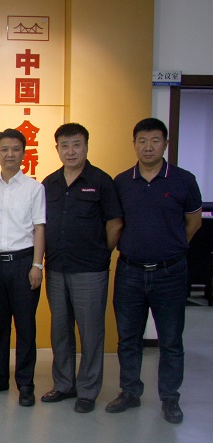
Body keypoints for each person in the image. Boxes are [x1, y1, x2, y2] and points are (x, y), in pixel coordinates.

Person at [106, 118, 202, 424]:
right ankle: (130, 392)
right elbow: (116, 223)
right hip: (130, 271)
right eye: (142, 141)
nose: (148, 147)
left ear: (165, 144)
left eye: (155, 140)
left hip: (170, 273)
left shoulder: (183, 180)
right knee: (128, 338)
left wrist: (172, 247)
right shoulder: (122, 182)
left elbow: (194, 221)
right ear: (134, 143)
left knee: (171, 339)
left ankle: (170, 398)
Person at [41, 123, 123, 413]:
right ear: (57, 149)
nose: (71, 151)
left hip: (90, 270)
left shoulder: (101, 181)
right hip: (56, 268)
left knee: (90, 332)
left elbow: (115, 224)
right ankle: (64, 384)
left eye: (76, 145)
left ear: (86, 147)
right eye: (65, 146)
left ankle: (87, 390)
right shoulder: (49, 183)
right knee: (60, 330)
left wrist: (100, 253)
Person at [0, 129, 45, 407]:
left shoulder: (34, 188)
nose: (10, 154)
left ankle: (26, 384)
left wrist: (37, 265)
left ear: (23, 153)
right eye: (4, 149)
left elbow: (39, 228)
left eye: (16, 149)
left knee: (26, 326)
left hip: (23, 263)